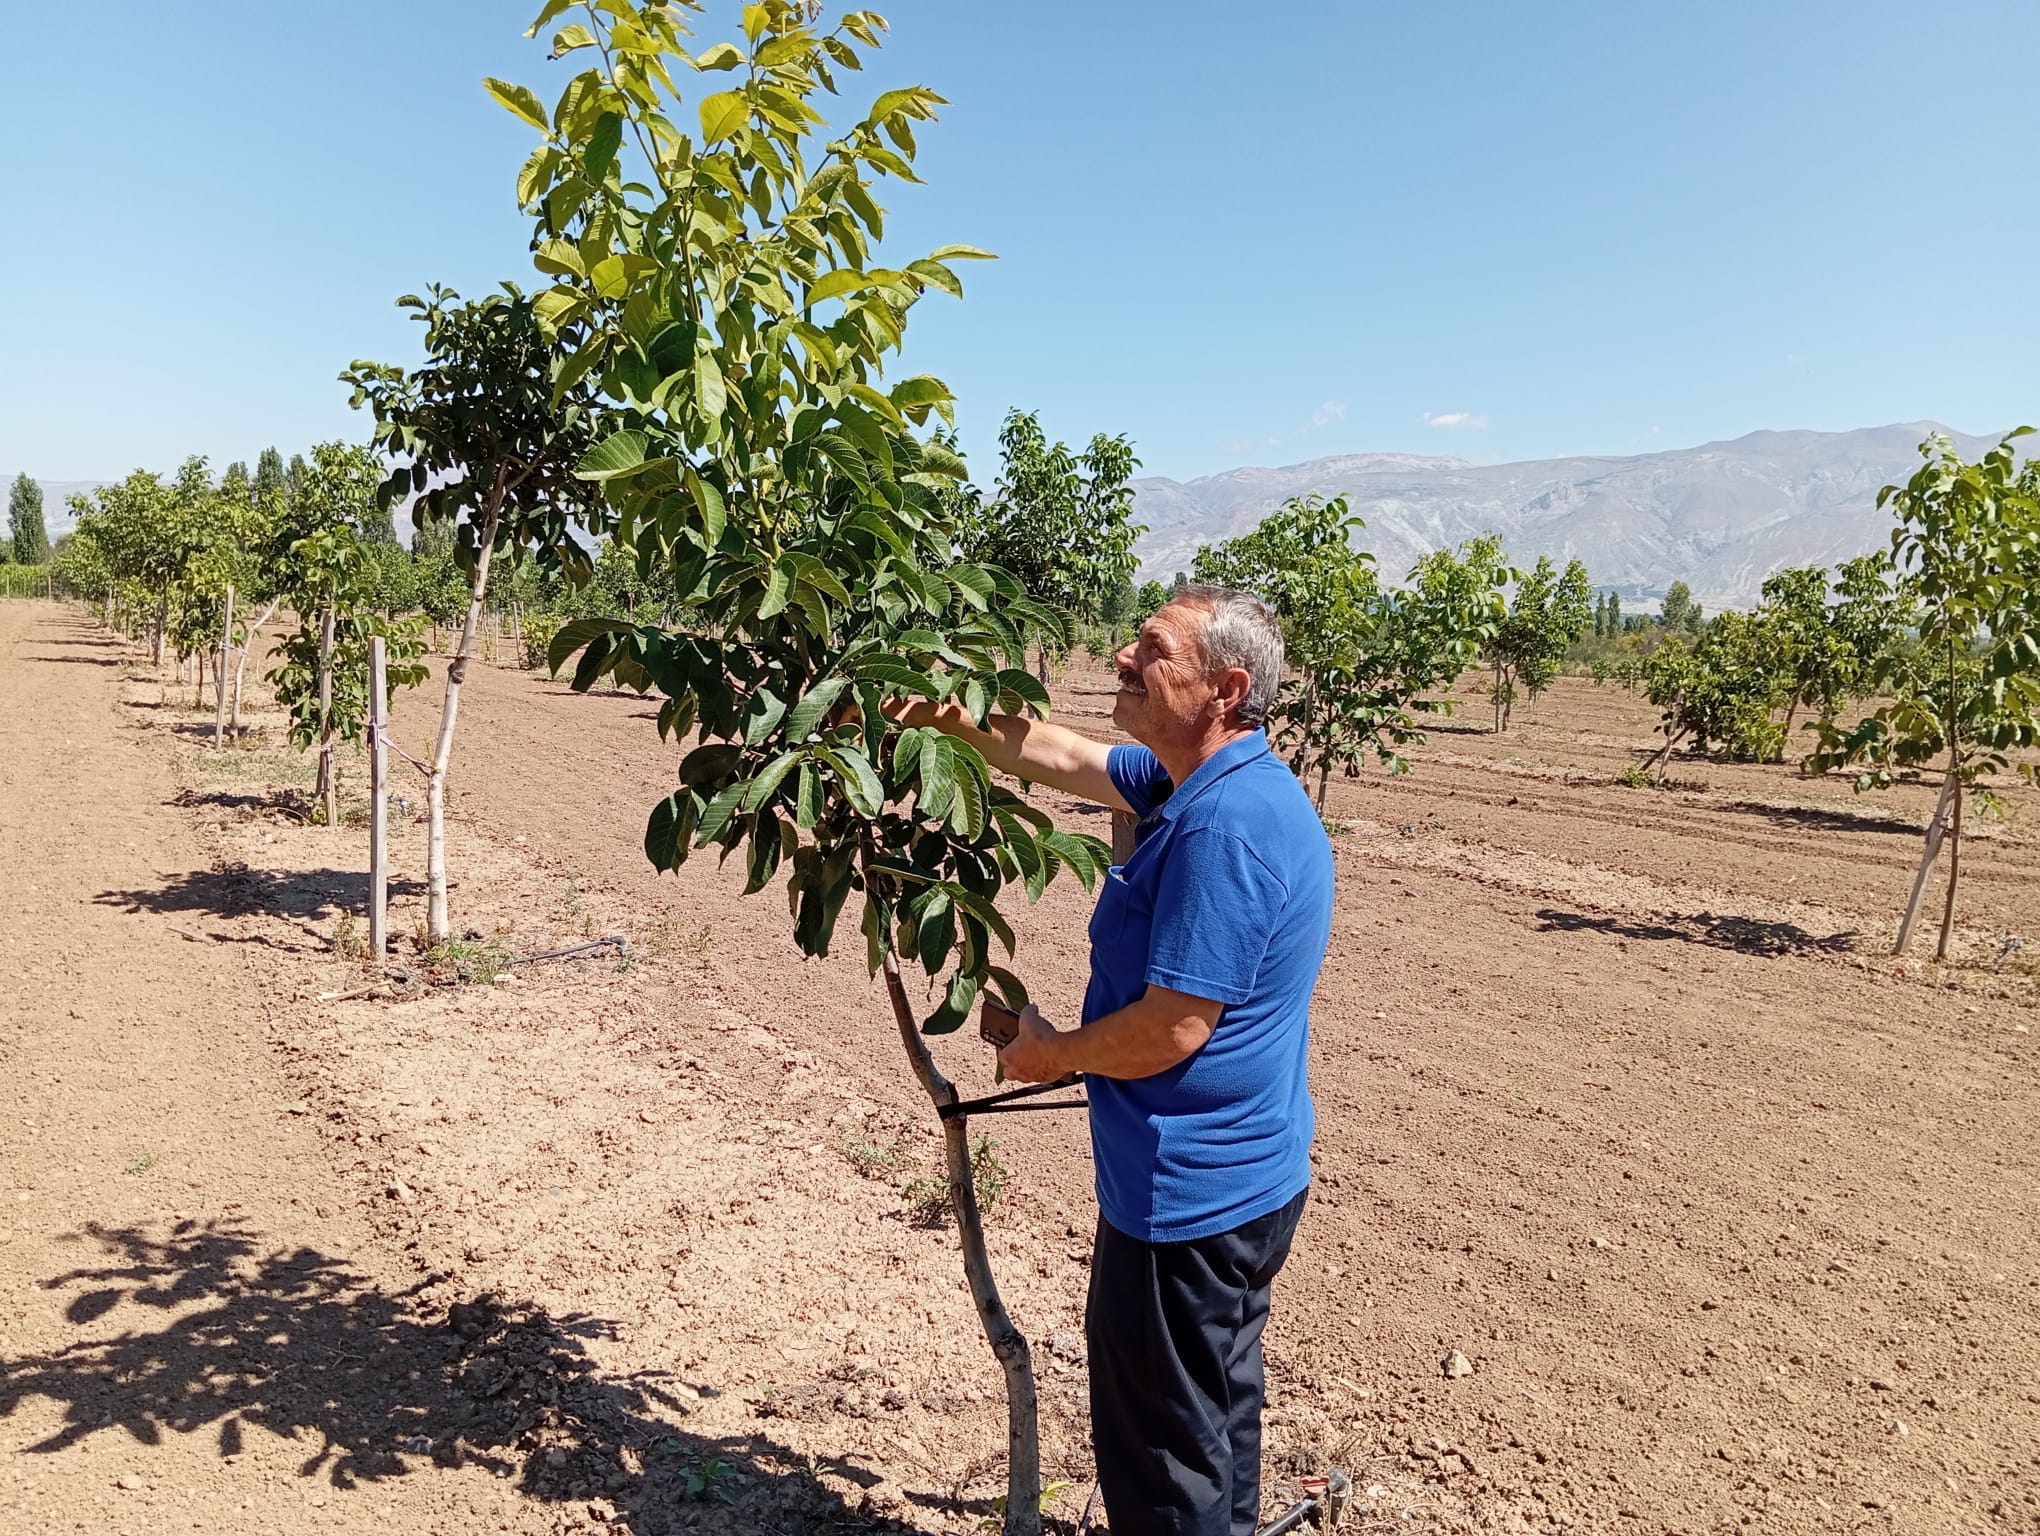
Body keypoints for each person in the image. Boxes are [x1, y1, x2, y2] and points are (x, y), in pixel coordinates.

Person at [890, 586, 1334, 1536]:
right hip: (1241, 1182)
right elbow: (1054, 752)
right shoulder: (1191, 780)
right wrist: (911, 706)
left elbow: (1171, 1029)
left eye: (1151, 649)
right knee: (1212, 1423)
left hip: (1188, 1203)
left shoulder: (1226, 826)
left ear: (1226, 686)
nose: (1122, 660)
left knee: (1162, 1463)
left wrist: (1052, 1055)